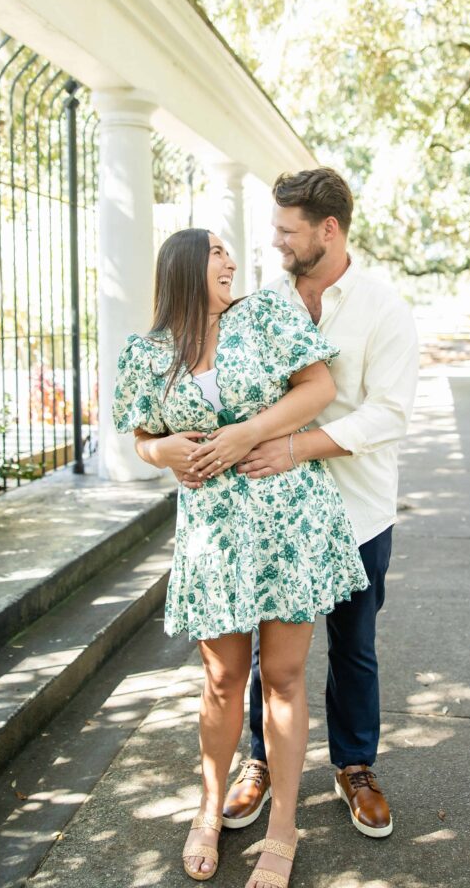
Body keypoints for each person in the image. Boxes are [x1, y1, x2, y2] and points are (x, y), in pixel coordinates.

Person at [112, 228, 368, 888]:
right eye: (216, 252)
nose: (230, 261)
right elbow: (142, 437)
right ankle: (206, 811)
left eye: (230, 252)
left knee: (282, 676)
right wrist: (161, 451)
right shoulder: (147, 353)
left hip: (288, 518)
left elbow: (317, 387)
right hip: (213, 533)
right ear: (182, 267)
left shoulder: (267, 315)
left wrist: (246, 434)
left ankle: (283, 826)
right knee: (222, 679)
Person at [184, 168, 419, 840]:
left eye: (287, 230)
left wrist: (296, 447)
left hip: (356, 509)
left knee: (353, 646)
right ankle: (260, 760)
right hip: (274, 514)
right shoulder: (260, 305)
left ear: (328, 230)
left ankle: (355, 766)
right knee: (270, 655)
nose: (276, 241)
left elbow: (389, 414)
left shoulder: (384, 309)